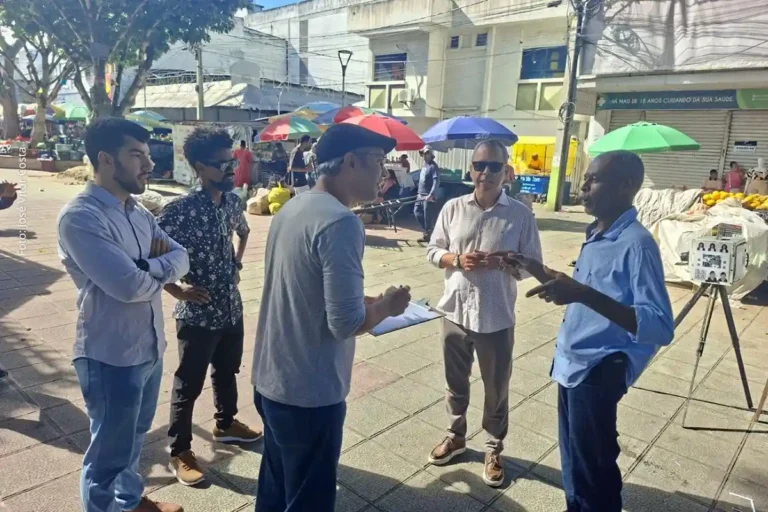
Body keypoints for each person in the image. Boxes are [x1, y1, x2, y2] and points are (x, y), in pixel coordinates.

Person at [251, 123, 411, 512]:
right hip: (309, 390)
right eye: (377, 162)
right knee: (309, 499)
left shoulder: (295, 206)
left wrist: (359, 298)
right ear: (351, 162)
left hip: (272, 379)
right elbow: (346, 324)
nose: (384, 174)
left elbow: (303, 286)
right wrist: (387, 307)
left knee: (275, 488)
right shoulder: (341, 221)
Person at [504, 150, 673, 511]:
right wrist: (536, 268)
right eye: (584, 179)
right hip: (572, 364)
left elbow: (659, 325)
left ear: (626, 185)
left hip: (600, 367)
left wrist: (582, 294)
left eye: (593, 179)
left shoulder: (637, 244)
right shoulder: (597, 233)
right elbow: (584, 286)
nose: (583, 187)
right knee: (575, 466)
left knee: (594, 472)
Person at [58, 118, 190, 512]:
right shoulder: (81, 217)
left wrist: (145, 267)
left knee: (133, 438)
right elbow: (127, 287)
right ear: (106, 159)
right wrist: (150, 269)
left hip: (148, 345)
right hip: (110, 353)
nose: (147, 165)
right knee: (108, 452)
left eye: (147, 155)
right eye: (136, 155)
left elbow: (181, 257)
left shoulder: (139, 213)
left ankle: (130, 502)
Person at [425, 139, 543, 487]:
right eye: (480, 166)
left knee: (496, 388)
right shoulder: (452, 208)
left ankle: (493, 448)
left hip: (496, 315)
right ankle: (456, 436)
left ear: (506, 172)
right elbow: (433, 250)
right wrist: (457, 260)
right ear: (470, 170)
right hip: (455, 310)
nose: (485, 173)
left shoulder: (520, 214)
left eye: (494, 166)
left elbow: (533, 264)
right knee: (455, 384)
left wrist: (510, 263)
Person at [156, 127, 261, 487]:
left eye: (232, 161)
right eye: (222, 164)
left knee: (227, 370)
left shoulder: (232, 202)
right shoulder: (178, 211)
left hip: (231, 308)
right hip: (197, 315)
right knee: (189, 383)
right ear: (199, 166)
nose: (232, 170)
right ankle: (180, 451)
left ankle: (225, 423)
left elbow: (244, 232)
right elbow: (145, 258)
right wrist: (177, 289)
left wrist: (237, 265)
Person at [415, 145, 440, 242]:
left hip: (428, 196)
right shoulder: (424, 164)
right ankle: (428, 231)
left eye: (426, 154)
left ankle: (428, 234)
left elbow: (436, 181)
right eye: (423, 154)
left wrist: (431, 194)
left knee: (427, 216)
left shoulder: (433, 166)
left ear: (431, 155)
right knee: (417, 212)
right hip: (420, 194)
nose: (424, 156)